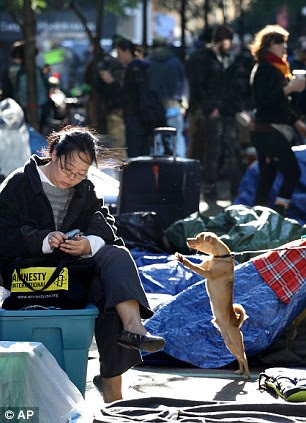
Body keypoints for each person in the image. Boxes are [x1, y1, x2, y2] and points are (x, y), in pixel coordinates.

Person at [0, 125, 166, 403]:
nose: (72, 179)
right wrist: (43, 239)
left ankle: (133, 328)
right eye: (67, 170)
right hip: (27, 273)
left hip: (72, 271)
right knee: (105, 291)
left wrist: (89, 243)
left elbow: (105, 224)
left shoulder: (85, 189)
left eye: (81, 174)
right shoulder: (19, 183)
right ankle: (112, 387)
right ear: (52, 153)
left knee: (115, 260)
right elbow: (3, 234)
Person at [249, 25, 306, 215]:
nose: (285, 48)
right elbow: (264, 100)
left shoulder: (277, 68)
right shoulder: (265, 68)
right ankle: (279, 213)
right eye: (282, 43)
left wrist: (296, 121)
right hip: (268, 131)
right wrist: (290, 89)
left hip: (266, 130)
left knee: (267, 176)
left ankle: (259, 218)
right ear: (271, 44)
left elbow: (281, 105)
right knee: (292, 172)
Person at [186, 25, 239, 199]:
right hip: (211, 112)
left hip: (222, 110)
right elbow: (199, 86)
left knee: (224, 150)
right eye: (228, 40)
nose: (230, 44)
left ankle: (222, 189)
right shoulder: (204, 59)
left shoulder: (223, 59)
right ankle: (211, 189)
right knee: (212, 151)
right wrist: (210, 108)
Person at [147, 40, 189, 157]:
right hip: (174, 106)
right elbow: (184, 85)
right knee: (177, 137)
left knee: (157, 140)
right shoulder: (176, 63)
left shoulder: (148, 63)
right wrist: (184, 104)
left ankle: (159, 168)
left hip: (154, 108)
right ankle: (179, 163)